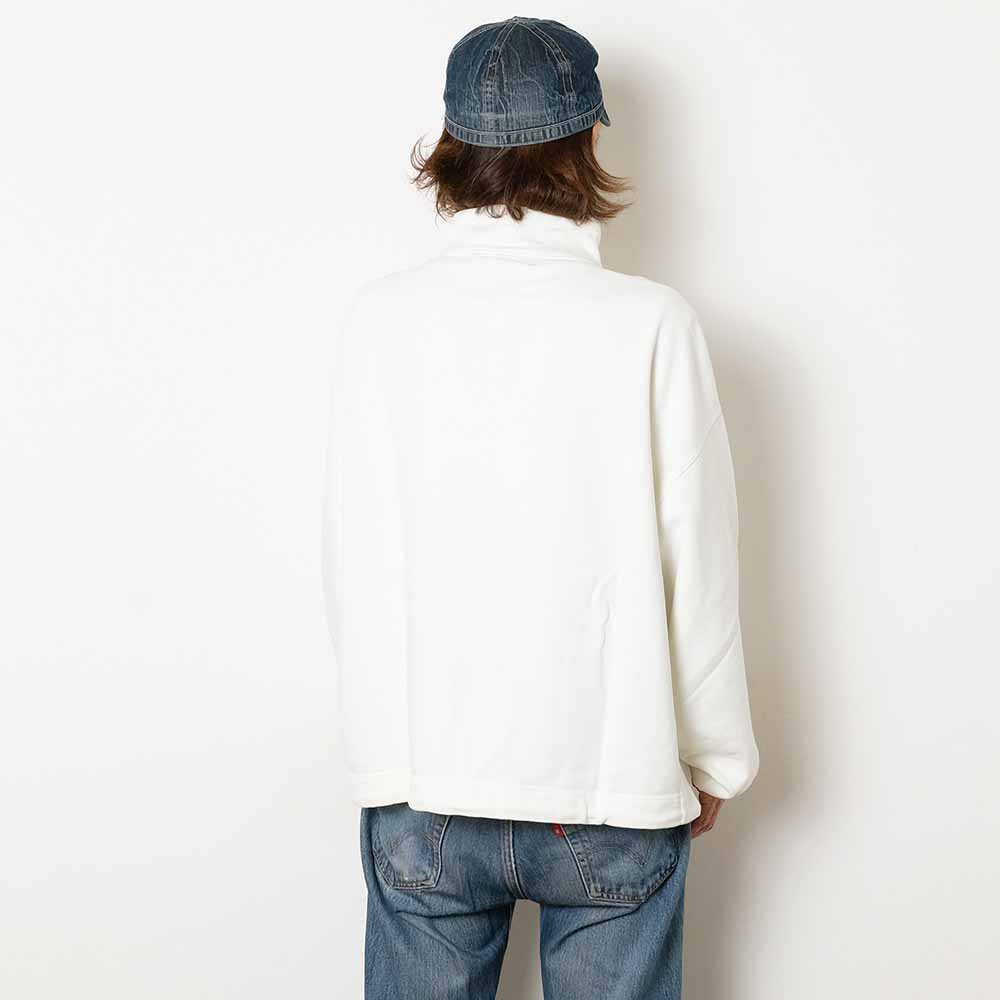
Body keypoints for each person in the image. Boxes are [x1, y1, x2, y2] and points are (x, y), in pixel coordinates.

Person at [323, 16, 758, 999]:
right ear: (588, 138)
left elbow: (356, 556)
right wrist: (713, 758)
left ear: (448, 142)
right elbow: (698, 558)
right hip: (614, 782)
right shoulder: (650, 323)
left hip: (424, 782)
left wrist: (384, 759)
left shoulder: (381, 321)